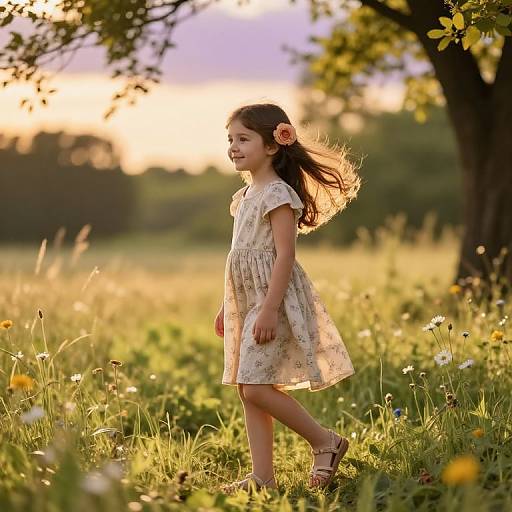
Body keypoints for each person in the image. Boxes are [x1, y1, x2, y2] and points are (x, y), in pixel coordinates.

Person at [214, 102, 361, 493]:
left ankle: (325, 442)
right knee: (249, 386)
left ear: (273, 145)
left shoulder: (277, 194)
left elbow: (285, 255)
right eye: (230, 139)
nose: (233, 146)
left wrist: (268, 309)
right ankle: (262, 478)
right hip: (250, 305)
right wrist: (226, 307)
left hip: (272, 302)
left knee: (258, 387)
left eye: (243, 138)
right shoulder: (244, 195)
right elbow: (239, 262)